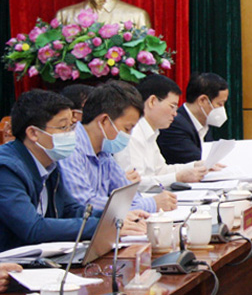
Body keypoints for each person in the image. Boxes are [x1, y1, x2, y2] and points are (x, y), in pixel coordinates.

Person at [0, 89, 146, 252]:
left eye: (72, 126)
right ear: (33, 133)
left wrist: (114, 218)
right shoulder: (6, 169)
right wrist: (103, 226)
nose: (71, 134)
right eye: (63, 127)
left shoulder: (50, 164)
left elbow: (71, 210)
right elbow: (33, 228)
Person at [61, 81, 176, 213]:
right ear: (104, 121)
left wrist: (149, 203)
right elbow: (86, 204)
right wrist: (152, 204)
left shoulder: (103, 151)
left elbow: (127, 193)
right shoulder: (71, 149)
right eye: (127, 128)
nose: (128, 135)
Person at [115, 75, 208, 191]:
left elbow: (161, 171)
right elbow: (135, 183)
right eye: (172, 106)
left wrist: (195, 166)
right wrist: (177, 177)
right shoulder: (132, 133)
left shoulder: (151, 132)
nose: (175, 113)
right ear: (152, 101)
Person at [158, 72, 229, 164]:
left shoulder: (204, 123)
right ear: (202, 100)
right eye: (220, 104)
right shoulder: (174, 125)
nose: (222, 108)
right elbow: (200, 162)